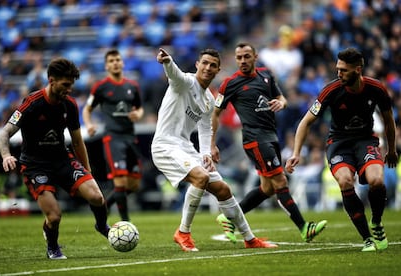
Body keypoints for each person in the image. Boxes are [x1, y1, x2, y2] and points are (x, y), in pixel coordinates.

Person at [151, 47, 278, 252]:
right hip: (165, 146)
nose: (208, 68)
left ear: (218, 70)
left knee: (223, 190)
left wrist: (206, 154)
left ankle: (250, 239)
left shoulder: (209, 99)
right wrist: (167, 61)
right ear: (197, 65)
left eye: (213, 65)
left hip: (184, 147)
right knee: (200, 178)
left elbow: (205, 128)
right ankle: (183, 232)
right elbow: (174, 74)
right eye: (205, 63)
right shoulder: (185, 82)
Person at [211, 42, 327, 244]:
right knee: (280, 182)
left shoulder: (266, 75)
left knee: (268, 188)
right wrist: (211, 143)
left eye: (247, 56)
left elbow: (282, 98)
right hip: (255, 139)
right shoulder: (230, 83)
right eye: (239, 57)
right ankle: (304, 228)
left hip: (271, 136)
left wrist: (281, 102)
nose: (243, 61)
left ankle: (229, 217)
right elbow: (215, 113)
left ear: (255, 57)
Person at [285, 47, 397, 252]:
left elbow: (389, 123)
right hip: (339, 143)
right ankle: (367, 238)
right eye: (337, 69)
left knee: (377, 181)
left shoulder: (377, 89)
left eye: (344, 70)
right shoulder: (331, 90)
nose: (339, 74)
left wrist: (391, 150)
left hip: (366, 141)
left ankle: (377, 223)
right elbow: (305, 122)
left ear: (357, 69)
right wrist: (296, 153)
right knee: (345, 182)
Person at [0, 58, 110, 260]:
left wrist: (87, 171)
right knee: (55, 216)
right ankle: (53, 247)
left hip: (62, 159)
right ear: (51, 80)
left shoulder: (70, 105)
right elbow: (4, 134)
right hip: (35, 165)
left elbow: (77, 141)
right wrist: (6, 155)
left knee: (96, 197)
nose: (69, 89)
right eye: (66, 85)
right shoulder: (32, 103)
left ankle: (102, 226)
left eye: (71, 85)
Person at [82, 49, 144, 222]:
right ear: (106, 65)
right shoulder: (101, 87)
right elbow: (87, 109)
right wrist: (89, 124)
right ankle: (126, 223)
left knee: (134, 184)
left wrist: (138, 114)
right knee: (121, 181)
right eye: (111, 61)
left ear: (122, 63)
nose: (115, 63)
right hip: (113, 137)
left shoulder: (132, 86)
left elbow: (139, 108)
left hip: (130, 137)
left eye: (118, 59)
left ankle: (106, 205)